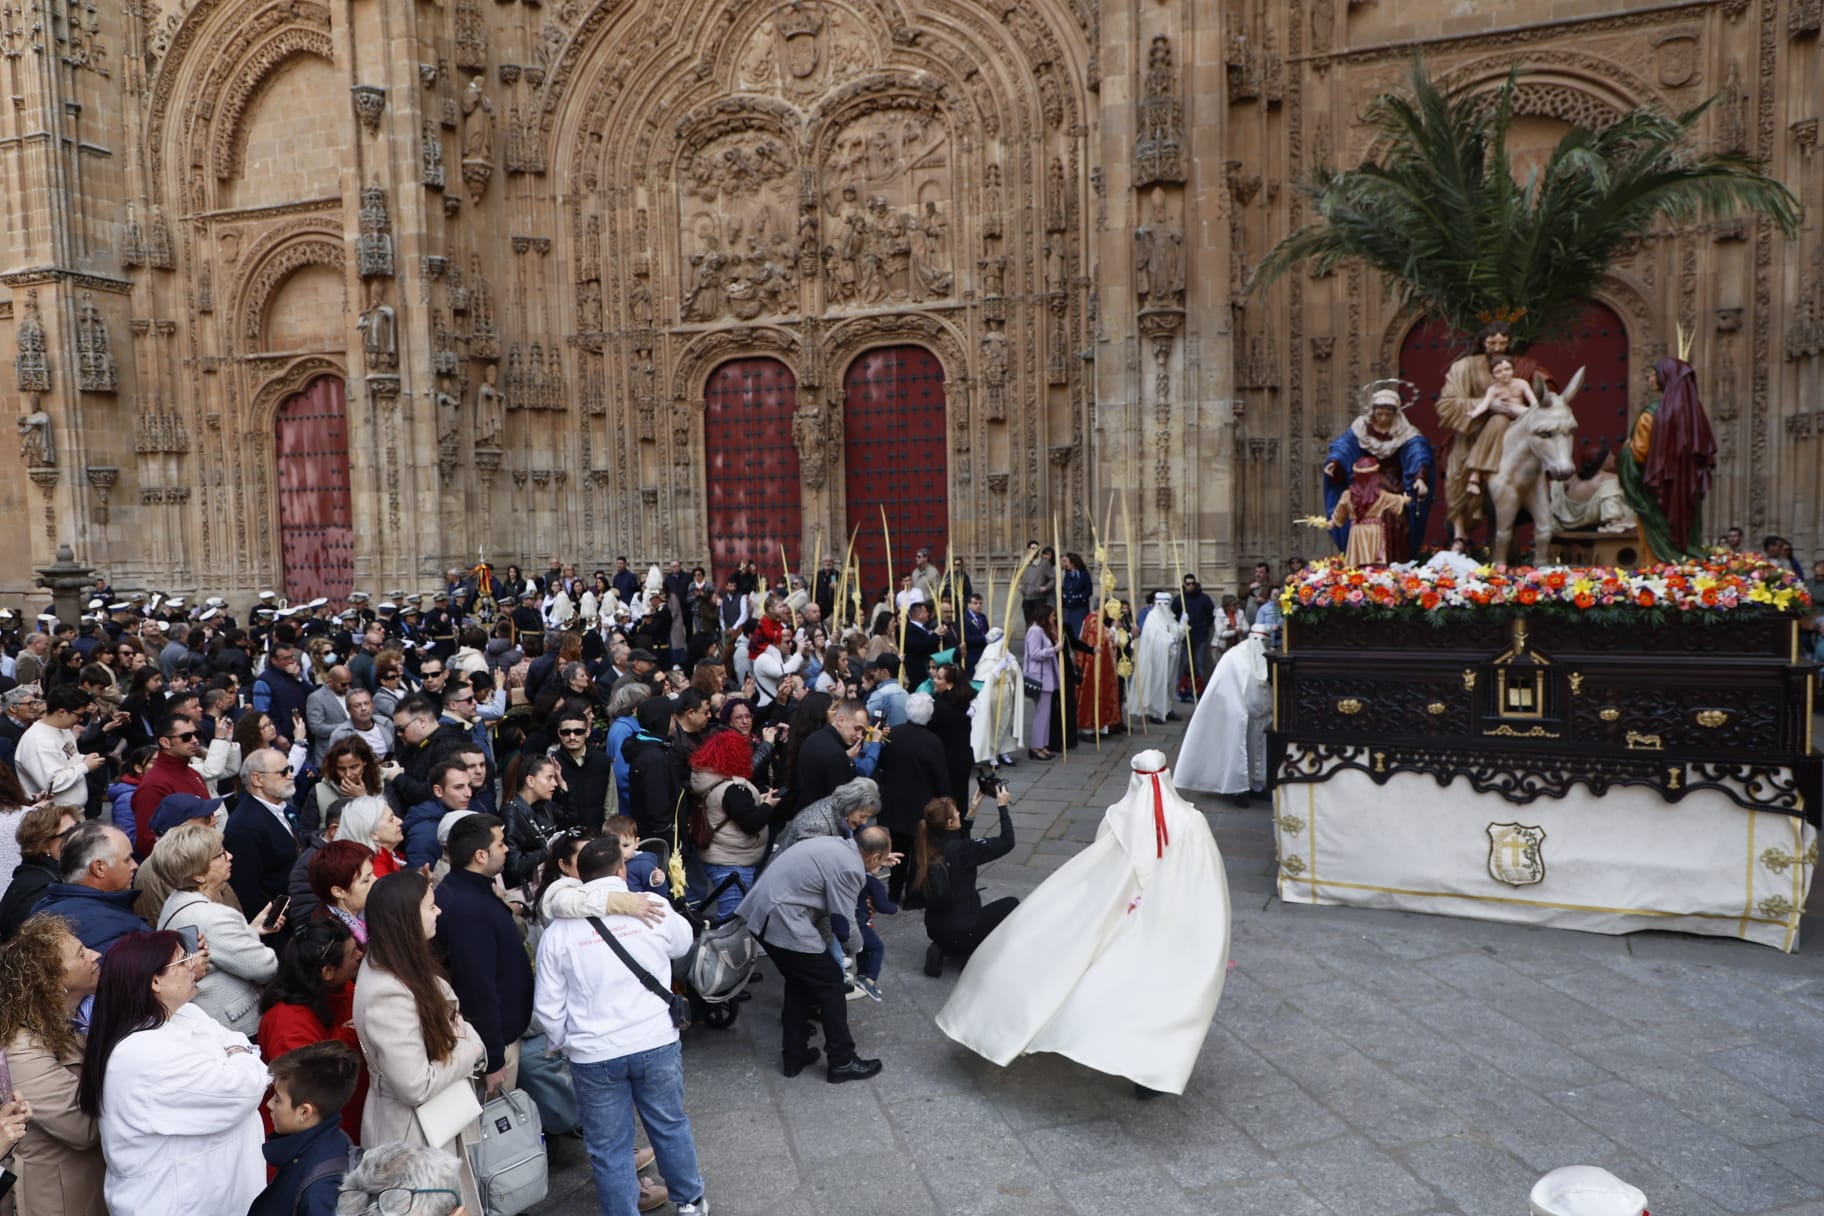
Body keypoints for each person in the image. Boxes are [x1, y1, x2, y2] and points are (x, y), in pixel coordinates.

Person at [937, 750, 1231, 1097]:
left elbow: (1099, 867)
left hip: (1117, 912)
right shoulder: (1192, 821)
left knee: (1101, 979)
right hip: (1167, 918)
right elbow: (1205, 874)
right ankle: (1149, 1069)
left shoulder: (1117, 817)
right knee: (1156, 988)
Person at [535, 837, 709, 1216]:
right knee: (669, 1125)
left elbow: (548, 1009)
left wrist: (567, 1043)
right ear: (621, 870)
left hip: (593, 1055)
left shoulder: (558, 933)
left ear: (579, 876)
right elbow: (682, 944)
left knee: (608, 1147)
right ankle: (690, 1202)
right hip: (655, 1040)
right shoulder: (653, 907)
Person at [79, 930, 270, 1215]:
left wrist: (238, 1052)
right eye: (182, 962)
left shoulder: (185, 1014)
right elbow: (244, 1088)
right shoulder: (141, 1053)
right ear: (155, 981)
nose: (194, 965)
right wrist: (239, 1054)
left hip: (211, 1189)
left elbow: (240, 1043)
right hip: (175, 1200)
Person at [351, 871, 487, 1211]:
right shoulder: (387, 990)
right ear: (407, 919)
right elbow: (414, 1085)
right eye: (430, 906)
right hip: (413, 1136)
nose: (438, 911)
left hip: (431, 1125)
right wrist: (470, 1049)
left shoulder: (399, 964)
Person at [735, 827, 891, 1083]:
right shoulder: (851, 869)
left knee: (800, 981)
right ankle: (842, 1061)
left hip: (763, 913)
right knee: (831, 983)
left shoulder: (834, 845)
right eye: (882, 862)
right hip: (782, 921)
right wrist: (863, 949)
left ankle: (793, 1057)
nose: (880, 867)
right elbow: (844, 923)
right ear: (874, 858)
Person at [0, 914, 105, 1216]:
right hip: (58, 1198)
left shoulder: (64, 1023)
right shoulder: (20, 1049)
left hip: (86, 1187)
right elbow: (82, 1127)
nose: (95, 956)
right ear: (54, 979)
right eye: (81, 954)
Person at [144, 822, 284, 1036]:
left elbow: (211, 948)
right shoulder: (215, 918)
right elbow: (265, 967)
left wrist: (251, 930)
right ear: (199, 875)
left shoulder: (176, 902)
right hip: (235, 1027)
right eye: (220, 855)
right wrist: (247, 934)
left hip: (206, 1020)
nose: (230, 856)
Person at [433, 813, 532, 1092]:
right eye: (500, 844)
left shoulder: (472, 892)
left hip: (499, 1037)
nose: (506, 849)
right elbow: (477, 987)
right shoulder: (466, 909)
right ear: (480, 855)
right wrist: (493, 1057)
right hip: (492, 1046)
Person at [1435, 322, 1545, 543]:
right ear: (1482, 342)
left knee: (1503, 424)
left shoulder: (1521, 369)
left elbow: (1540, 398)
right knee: (1457, 469)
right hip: (1472, 432)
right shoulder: (1464, 367)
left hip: (1511, 433)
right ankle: (1459, 534)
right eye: (1492, 342)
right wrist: (1486, 405)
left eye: (1503, 343)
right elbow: (1446, 405)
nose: (1497, 347)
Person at [1617, 355, 1718, 562]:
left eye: (1654, 374)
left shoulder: (1652, 414)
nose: (1649, 378)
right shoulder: (1695, 416)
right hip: (1686, 493)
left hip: (1658, 495)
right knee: (1686, 538)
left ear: (1665, 377)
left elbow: (1639, 454)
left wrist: (1626, 450)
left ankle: (1661, 579)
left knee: (1657, 546)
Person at [248, 1041, 360, 1216]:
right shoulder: (332, 1139)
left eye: (278, 1099)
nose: (269, 1104)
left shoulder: (319, 1193)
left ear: (304, 1112)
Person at [914, 785, 1016, 977]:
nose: (960, 813)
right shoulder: (964, 850)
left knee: (954, 927)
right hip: (964, 931)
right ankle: (973, 954)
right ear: (951, 823)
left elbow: (955, 844)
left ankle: (942, 948)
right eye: (957, 813)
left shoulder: (926, 844)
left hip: (935, 929)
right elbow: (1007, 842)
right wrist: (1002, 807)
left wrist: (971, 814)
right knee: (1011, 904)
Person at [1173, 623, 1273, 805]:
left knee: (1260, 752)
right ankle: (1238, 789)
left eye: (1264, 641)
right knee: (1239, 753)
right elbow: (1223, 687)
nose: (1260, 644)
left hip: (1263, 716)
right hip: (1240, 716)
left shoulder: (1270, 655)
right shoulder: (1235, 657)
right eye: (1258, 640)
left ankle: (1257, 786)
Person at [690, 727, 774, 920]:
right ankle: (718, 951)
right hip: (732, 861)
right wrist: (767, 805)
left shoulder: (710, 779)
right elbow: (751, 823)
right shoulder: (733, 788)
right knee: (732, 921)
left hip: (721, 856)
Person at [877, 693, 949, 906]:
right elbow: (940, 777)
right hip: (921, 807)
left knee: (898, 850)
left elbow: (883, 763)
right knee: (919, 855)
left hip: (896, 803)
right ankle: (913, 894)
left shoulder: (894, 734)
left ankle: (893, 891)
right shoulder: (933, 741)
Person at [31, 823, 144, 954]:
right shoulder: (111, 929)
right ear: (99, 868)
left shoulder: (44, 910)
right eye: (127, 859)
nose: (135, 865)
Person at [224, 748, 303, 924]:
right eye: (283, 772)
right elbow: (246, 890)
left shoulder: (282, 809)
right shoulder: (244, 826)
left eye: (290, 769)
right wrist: (270, 924)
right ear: (257, 779)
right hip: (276, 929)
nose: (291, 775)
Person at [14, 686, 104, 813]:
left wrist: (84, 759)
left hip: (72, 812)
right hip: (53, 817)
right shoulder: (37, 741)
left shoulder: (64, 729)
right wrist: (85, 767)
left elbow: (67, 760)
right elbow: (52, 783)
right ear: (61, 712)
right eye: (79, 715)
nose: (81, 719)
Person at [1, 802, 79, 940]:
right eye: (69, 834)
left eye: (79, 827)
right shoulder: (42, 891)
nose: (80, 836)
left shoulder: (42, 876)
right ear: (44, 846)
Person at [1326, 456, 1412, 566]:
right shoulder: (1382, 495)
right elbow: (1397, 501)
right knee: (1374, 562)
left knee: (1357, 563)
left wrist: (1333, 522)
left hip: (1357, 531)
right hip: (1375, 531)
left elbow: (1340, 511)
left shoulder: (1347, 495)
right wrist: (1405, 500)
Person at [1133, 592, 1183, 725]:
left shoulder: (1169, 617)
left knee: (1168, 682)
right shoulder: (1152, 618)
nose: (1164, 607)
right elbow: (1152, 638)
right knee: (1156, 683)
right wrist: (1169, 640)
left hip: (1169, 657)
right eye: (1161, 604)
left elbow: (1176, 630)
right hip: (1155, 659)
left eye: (1166, 604)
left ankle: (1167, 708)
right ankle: (1154, 711)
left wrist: (1182, 625)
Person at [1022, 606, 1060, 761]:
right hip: (1040, 677)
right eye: (1052, 616)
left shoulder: (1041, 630)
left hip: (1046, 676)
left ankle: (1042, 745)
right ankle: (1036, 746)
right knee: (1041, 714)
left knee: (1045, 714)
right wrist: (1054, 649)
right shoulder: (1035, 631)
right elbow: (1035, 653)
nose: (1054, 619)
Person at [336, 794, 407, 877]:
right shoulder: (372, 873)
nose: (400, 821)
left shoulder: (392, 856)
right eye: (391, 820)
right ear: (373, 833)